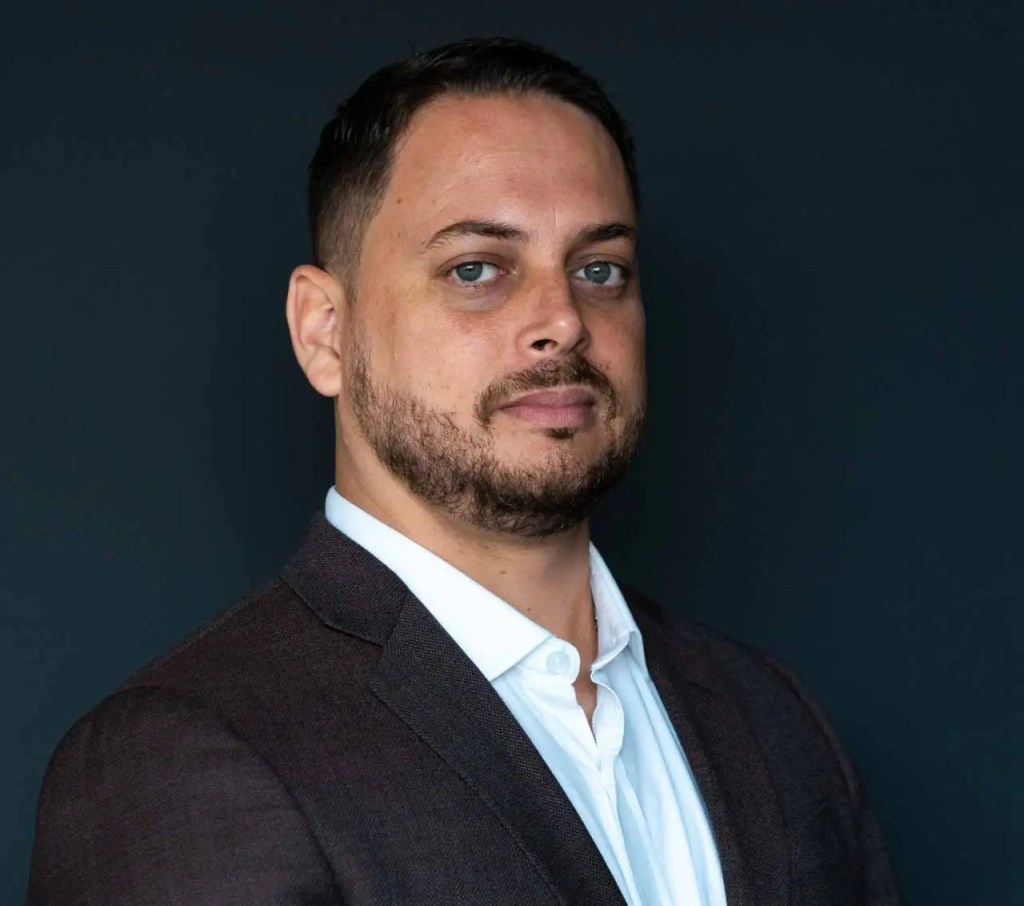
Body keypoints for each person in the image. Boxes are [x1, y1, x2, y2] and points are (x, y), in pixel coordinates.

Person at [27, 37, 901, 905]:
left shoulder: (775, 721)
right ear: (324, 331)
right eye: (477, 269)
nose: (561, 319)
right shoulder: (185, 759)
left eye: (600, 269)